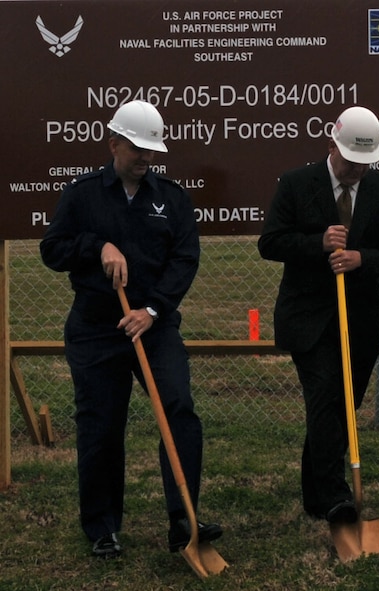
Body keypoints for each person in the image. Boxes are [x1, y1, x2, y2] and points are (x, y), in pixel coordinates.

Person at [40, 100, 221, 558]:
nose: (146, 158)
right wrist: (97, 245)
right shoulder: (82, 194)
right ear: (114, 142)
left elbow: (185, 260)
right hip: (96, 328)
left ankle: (184, 519)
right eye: (138, 148)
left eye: (152, 150)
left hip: (154, 327)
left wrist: (153, 311)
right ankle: (102, 527)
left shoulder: (172, 198)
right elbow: (53, 249)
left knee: (178, 409)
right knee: (100, 424)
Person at [258, 106, 379, 524]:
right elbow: (270, 243)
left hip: (359, 320)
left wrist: (363, 258)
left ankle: (314, 493)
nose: (356, 171)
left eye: (364, 164)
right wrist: (318, 243)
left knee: (345, 406)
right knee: (327, 397)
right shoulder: (296, 184)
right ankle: (336, 495)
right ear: (331, 146)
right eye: (349, 162)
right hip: (308, 319)